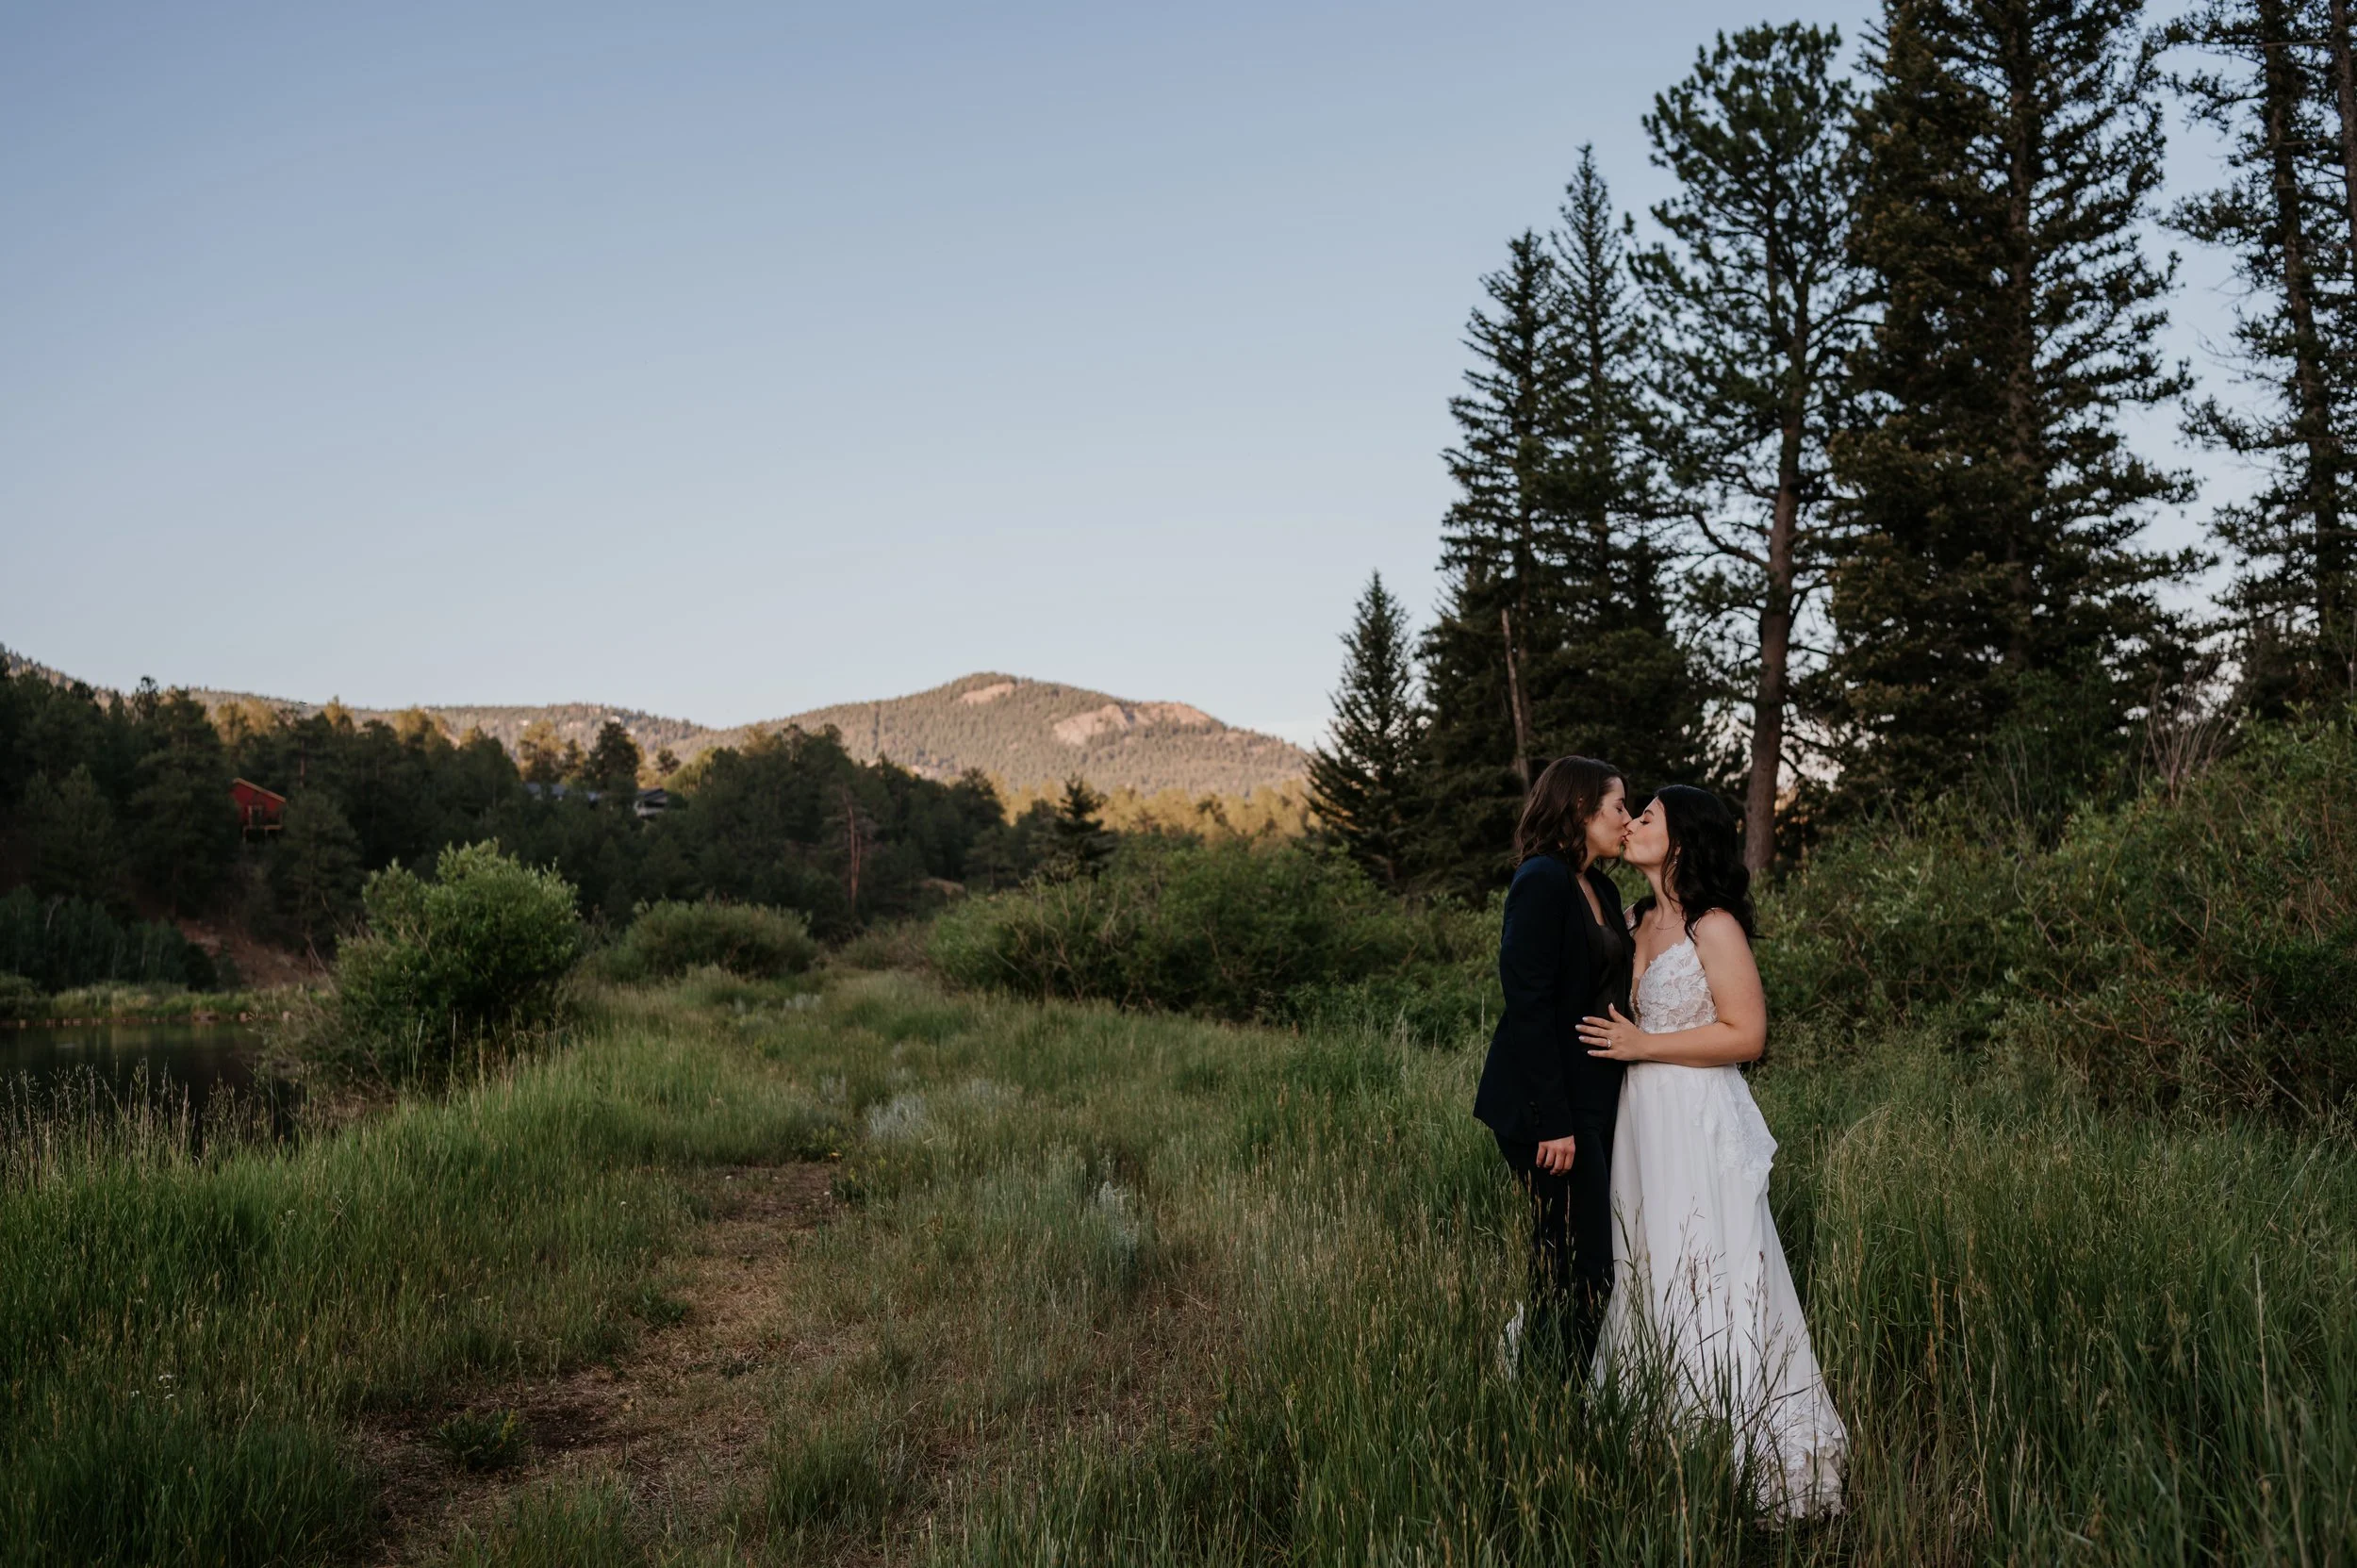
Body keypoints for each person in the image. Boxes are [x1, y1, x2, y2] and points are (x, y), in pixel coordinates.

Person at [1577, 784, 1847, 1518]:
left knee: (1711, 1264)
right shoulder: (1633, 919)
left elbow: (1747, 1034)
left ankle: (1737, 1440)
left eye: (1649, 816)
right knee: (1651, 1265)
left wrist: (1646, 1044)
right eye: (1631, 814)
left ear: (1684, 838)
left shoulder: (1713, 925)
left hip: (1695, 1116)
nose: (1632, 823)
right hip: (1640, 1123)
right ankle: (1659, 1444)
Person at [1472, 755, 1634, 1375]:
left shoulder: (1603, 886)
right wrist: (1553, 1121)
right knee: (1578, 1266)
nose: (1628, 818)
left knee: (1576, 1260)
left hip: (1592, 1102)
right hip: (1546, 1109)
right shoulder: (1540, 879)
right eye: (1618, 806)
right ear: (1578, 808)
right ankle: (1550, 1397)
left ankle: (1550, 1389)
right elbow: (1529, 1004)